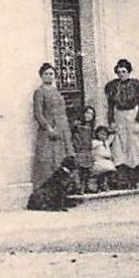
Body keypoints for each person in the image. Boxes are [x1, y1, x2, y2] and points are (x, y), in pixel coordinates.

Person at [103, 59, 139, 186]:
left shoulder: (135, 85)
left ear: (129, 72)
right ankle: (123, 178)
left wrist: (138, 120)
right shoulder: (113, 86)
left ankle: (136, 178)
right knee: (120, 145)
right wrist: (111, 121)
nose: (121, 74)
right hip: (119, 116)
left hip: (131, 115)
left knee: (134, 145)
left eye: (124, 71)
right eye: (119, 72)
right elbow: (110, 106)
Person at [32, 63, 75, 192]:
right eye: (46, 74)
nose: (49, 76)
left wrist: (64, 129)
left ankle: (60, 192)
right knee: (46, 160)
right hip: (48, 132)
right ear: (41, 76)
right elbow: (38, 113)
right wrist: (48, 128)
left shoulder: (56, 92)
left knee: (59, 159)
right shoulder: (39, 92)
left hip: (61, 130)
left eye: (51, 74)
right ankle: (44, 192)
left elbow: (61, 112)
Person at [71, 106, 98, 193]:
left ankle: (84, 187)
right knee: (78, 168)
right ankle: (77, 187)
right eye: (87, 113)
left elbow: (91, 139)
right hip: (78, 149)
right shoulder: (77, 125)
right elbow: (74, 137)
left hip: (87, 150)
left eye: (91, 114)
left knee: (86, 170)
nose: (88, 115)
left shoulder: (91, 127)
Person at [88, 126, 117, 192]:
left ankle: (103, 184)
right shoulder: (95, 143)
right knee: (98, 173)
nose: (103, 136)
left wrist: (113, 130)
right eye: (101, 134)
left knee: (107, 170)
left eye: (105, 135)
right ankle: (93, 186)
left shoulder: (106, 143)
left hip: (105, 161)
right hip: (98, 161)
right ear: (97, 134)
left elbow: (112, 137)